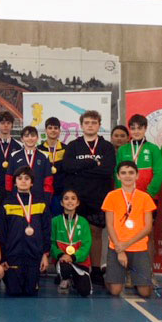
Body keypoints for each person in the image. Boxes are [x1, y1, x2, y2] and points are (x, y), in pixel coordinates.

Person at [61, 110, 115, 285]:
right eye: (87, 123)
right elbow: (67, 166)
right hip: (78, 198)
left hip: (99, 196)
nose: (90, 125)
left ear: (99, 125)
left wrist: (81, 170)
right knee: (74, 234)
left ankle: (96, 270)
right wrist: (92, 162)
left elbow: (107, 170)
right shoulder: (73, 145)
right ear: (82, 125)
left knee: (96, 233)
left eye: (94, 122)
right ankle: (75, 268)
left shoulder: (106, 146)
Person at [101, 161, 156, 297]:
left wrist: (126, 244)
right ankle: (109, 274)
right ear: (118, 176)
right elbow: (110, 225)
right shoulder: (111, 196)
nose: (127, 176)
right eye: (123, 173)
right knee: (115, 290)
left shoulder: (145, 197)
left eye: (131, 173)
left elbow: (148, 227)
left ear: (137, 175)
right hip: (117, 247)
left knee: (145, 292)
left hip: (138, 248)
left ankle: (137, 277)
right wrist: (120, 249)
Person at [0, 166, 51, 296]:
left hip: (34, 256)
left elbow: (46, 230)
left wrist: (45, 254)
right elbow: (2, 232)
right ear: (15, 182)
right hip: (13, 256)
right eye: (19, 178)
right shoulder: (7, 203)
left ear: (32, 183)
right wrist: (3, 257)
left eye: (27, 178)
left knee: (30, 292)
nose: (23, 181)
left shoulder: (40, 202)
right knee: (14, 292)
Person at [51, 189, 92, 297]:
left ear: (77, 203)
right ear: (61, 203)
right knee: (65, 267)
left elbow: (86, 245)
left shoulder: (83, 222)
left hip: (79, 261)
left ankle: (73, 279)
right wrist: (61, 255)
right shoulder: (55, 221)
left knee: (85, 291)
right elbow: (51, 243)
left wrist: (73, 257)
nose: (70, 201)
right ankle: (64, 279)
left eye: (73, 199)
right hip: (62, 260)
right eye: (66, 198)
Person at [116, 115, 162, 200]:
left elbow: (159, 173)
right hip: (127, 195)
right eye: (133, 128)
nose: (136, 131)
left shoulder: (153, 148)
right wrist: (123, 192)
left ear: (145, 128)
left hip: (148, 195)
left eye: (139, 128)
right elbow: (117, 172)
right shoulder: (122, 149)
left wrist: (150, 193)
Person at [6, 126, 53, 203]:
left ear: (37, 138)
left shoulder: (44, 156)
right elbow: (9, 178)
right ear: (22, 139)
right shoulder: (14, 155)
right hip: (18, 197)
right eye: (27, 136)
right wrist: (9, 196)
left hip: (38, 197)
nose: (30, 138)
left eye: (33, 135)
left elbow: (48, 180)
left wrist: (46, 198)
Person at [39, 117, 67, 216]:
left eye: (56, 128)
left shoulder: (66, 149)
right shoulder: (39, 149)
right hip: (43, 192)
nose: (53, 130)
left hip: (60, 192)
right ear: (46, 130)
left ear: (59, 131)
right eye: (50, 128)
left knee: (58, 220)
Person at [0, 111, 22, 191]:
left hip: (13, 184)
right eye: (2, 123)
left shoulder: (19, 145)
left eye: (8, 123)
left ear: (12, 125)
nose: (5, 125)